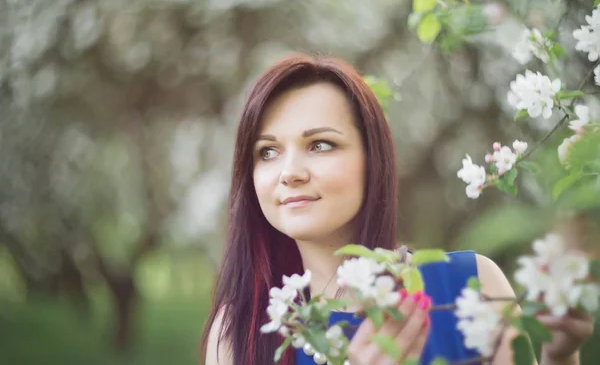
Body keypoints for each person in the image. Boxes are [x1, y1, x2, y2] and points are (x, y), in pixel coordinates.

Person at [202, 54, 594, 365]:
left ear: (374, 160)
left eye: (320, 144)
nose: (289, 173)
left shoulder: (469, 285)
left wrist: (558, 356)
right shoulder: (243, 329)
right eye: (267, 152)